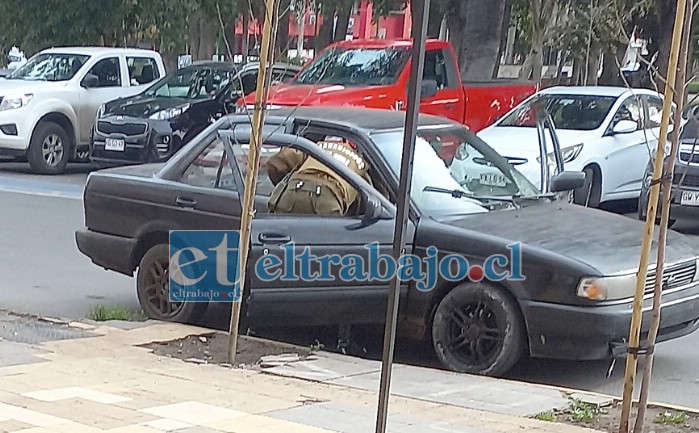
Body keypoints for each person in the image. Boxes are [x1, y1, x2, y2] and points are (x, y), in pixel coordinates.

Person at [266, 136, 373, 216]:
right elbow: (371, 198)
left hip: (293, 190)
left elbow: (275, 164)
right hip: (328, 198)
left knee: (281, 234)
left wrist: (284, 184)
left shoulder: (315, 148)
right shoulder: (360, 163)